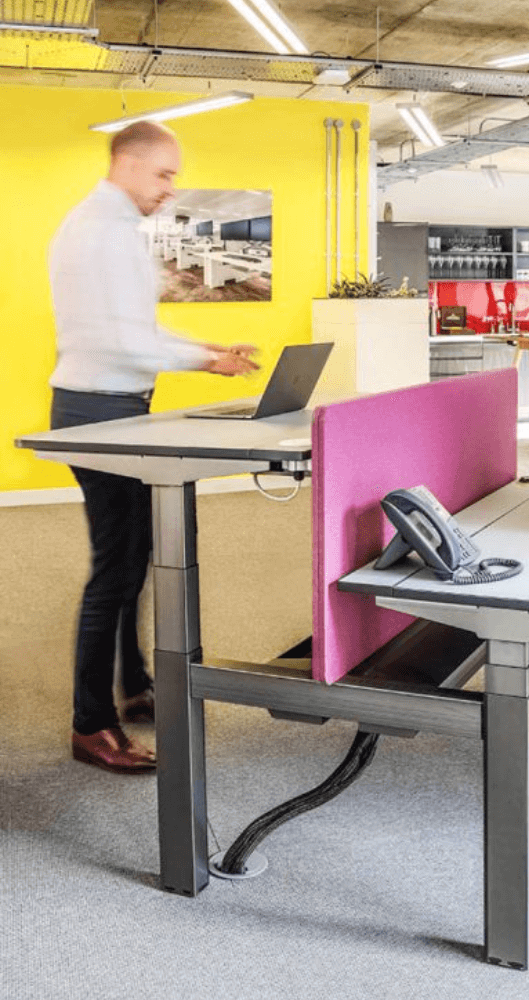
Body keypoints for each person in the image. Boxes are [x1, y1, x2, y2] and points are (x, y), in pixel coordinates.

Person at [48, 120, 260, 775]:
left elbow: (141, 328)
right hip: (98, 414)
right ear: (130, 163)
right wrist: (207, 364)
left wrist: (208, 350)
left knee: (133, 555)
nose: (171, 188)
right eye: (164, 174)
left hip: (114, 411)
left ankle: (134, 682)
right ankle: (91, 725)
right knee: (114, 569)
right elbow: (123, 344)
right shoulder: (98, 234)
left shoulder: (109, 229)